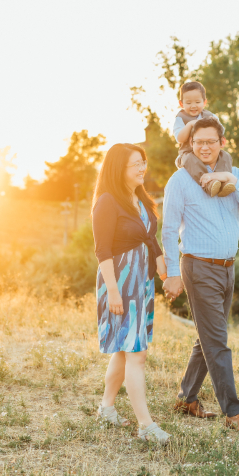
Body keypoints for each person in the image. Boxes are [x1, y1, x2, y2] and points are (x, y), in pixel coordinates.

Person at [161, 116, 239, 432]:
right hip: (198, 267)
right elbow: (167, 229)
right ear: (191, 144)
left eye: (209, 141)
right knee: (217, 340)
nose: (204, 147)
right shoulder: (180, 180)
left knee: (207, 337)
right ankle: (234, 413)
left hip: (228, 268)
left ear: (221, 143)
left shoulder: (234, 175)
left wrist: (230, 179)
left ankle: (186, 398)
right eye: (197, 142)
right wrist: (173, 272)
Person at [92, 144, 170, 443]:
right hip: (121, 284)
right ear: (117, 169)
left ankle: (106, 408)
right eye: (135, 164)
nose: (142, 168)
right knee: (137, 354)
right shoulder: (107, 201)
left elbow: (149, 238)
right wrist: (113, 292)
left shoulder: (138, 197)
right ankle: (145, 425)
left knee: (126, 351)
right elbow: (102, 251)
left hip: (143, 282)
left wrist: (164, 269)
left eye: (143, 162)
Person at [173, 80, 235, 196]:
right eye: (188, 103)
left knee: (225, 156)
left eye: (197, 102)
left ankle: (223, 182)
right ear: (181, 104)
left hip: (207, 151)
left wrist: (216, 124)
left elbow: (221, 131)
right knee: (191, 160)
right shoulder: (181, 118)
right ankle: (208, 184)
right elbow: (179, 138)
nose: (193, 106)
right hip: (188, 153)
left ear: (204, 102)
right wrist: (190, 125)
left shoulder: (210, 116)